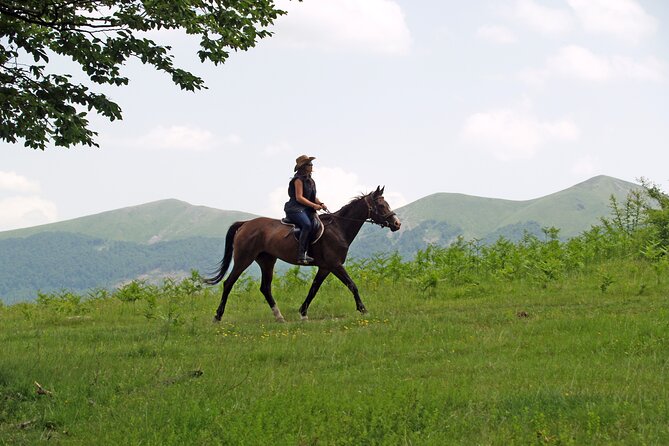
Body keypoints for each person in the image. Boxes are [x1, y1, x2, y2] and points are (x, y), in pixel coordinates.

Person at [284, 155, 328, 264]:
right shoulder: (298, 180)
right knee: (307, 225)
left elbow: (312, 197)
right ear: (304, 167)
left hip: (306, 209)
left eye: (312, 164)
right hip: (295, 209)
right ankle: (301, 255)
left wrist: (320, 203)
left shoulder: (311, 180)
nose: (312, 166)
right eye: (310, 164)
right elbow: (299, 197)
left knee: (316, 224)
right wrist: (313, 205)